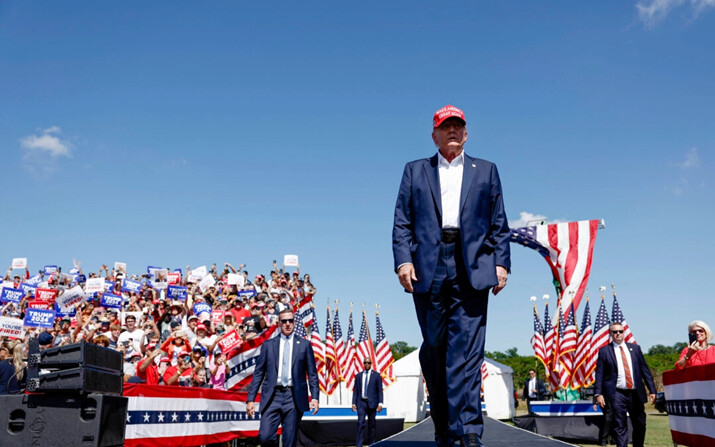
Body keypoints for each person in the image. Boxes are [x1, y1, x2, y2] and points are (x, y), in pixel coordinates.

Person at [392, 105, 511, 447]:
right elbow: (402, 221)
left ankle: (469, 428)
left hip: (472, 265)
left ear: (467, 133)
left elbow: (499, 223)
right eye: (446, 127)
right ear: (435, 135)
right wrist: (403, 261)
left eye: (458, 126)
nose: (453, 131)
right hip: (428, 266)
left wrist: (501, 263)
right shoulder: (415, 170)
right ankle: (443, 424)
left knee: (468, 351)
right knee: (435, 349)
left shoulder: (486, 171)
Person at [246, 309, 320, 447]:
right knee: (265, 437)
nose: (287, 324)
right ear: (279, 323)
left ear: (294, 322)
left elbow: (312, 373)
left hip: (293, 397)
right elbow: (258, 373)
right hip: (272, 396)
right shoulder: (268, 345)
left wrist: (315, 397)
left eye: (290, 321)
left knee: (289, 441)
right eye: (284, 321)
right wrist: (250, 399)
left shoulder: (304, 345)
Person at [594, 323, 656, 447]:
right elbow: (599, 375)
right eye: (615, 332)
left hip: (635, 393)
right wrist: (598, 393)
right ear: (611, 334)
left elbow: (645, 371)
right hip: (616, 393)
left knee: (640, 423)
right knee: (619, 425)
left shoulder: (635, 349)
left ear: (624, 333)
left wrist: (652, 390)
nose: (618, 334)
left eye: (620, 331)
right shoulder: (605, 351)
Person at [352, 358, 383, 447]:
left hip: (372, 403)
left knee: (372, 424)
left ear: (371, 363)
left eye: (368, 363)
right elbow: (356, 390)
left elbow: (380, 390)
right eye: (365, 363)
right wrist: (353, 403)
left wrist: (380, 403)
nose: (366, 364)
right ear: (363, 364)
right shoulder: (358, 376)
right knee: (360, 423)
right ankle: (359, 444)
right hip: (361, 403)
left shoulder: (376, 376)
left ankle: (372, 444)